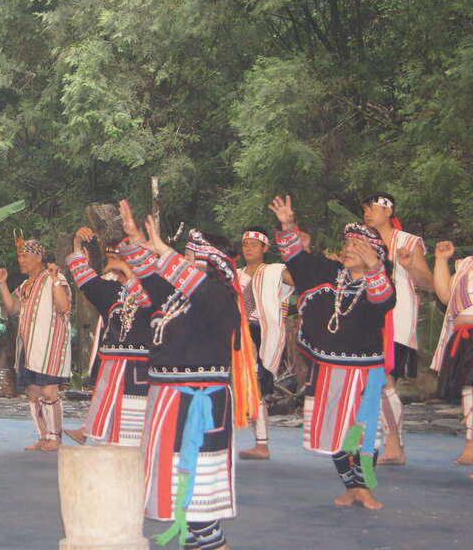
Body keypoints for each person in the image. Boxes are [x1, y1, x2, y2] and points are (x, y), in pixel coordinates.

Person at [119, 201, 251, 550]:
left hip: (197, 405)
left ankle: (214, 545)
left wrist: (164, 251)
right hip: (169, 401)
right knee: (179, 488)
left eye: (191, 257)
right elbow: (148, 273)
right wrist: (134, 240)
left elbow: (193, 282)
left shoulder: (220, 298)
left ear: (210, 263)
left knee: (196, 493)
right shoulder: (175, 297)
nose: (183, 263)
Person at [270, 195, 395, 510]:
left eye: (357, 246)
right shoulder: (327, 272)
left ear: (374, 253)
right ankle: (350, 486)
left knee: (364, 432)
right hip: (328, 368)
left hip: (366, 370)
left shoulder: (378, 280)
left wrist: (374, 266)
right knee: (334, 430)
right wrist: (288, 225)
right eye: (347, 244)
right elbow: (295, 257)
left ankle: (364, 487)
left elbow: (384, 301)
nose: (349, 249)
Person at [63, 226, 155, 448]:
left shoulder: (156, 288)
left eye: (117, 259)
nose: (112, 263)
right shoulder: (111, 290)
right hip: (112, 364)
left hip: (142, 366)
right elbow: (84, 278)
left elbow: (151, 304)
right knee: (107, 417)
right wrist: (77, 244)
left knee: (136, 426)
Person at [362, 192, 432, 465]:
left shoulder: (408, 241)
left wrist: (409, 265)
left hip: (397, 320)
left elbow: (428, 283)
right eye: (365, 209)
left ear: (389, 211)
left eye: (373, 208)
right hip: (368, 320)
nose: (367, 213)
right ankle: (391, 442)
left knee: (384, 381)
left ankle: (394, 443)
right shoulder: (363, 242)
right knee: (377, 383)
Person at [0, 237, 71, 452]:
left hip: (49, 345)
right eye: (19, 256)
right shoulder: (25, 285)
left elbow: (63, 306)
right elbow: (12, 308)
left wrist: (55, 280)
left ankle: (55, 437)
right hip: (28, 346)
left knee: (48, 390)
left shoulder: (54, 277)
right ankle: (43, 436)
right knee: (33, 391)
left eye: (24, 256)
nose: (20, 260)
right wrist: (2, 283)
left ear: (38, 257)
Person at [237, 227, 294, 460]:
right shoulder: (235, 275)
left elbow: (300, 280)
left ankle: (262, 445)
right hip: (238, 334)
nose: (248, 248)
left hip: (262, 332)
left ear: (265, 248)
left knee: (257, 387)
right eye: (245, 244)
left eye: (254, 244)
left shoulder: (275, 271)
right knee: (239, 387)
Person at [430, 240, 473, 473]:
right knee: (469, 389)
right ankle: (471, 443)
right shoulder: (466, 265)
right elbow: (446, 296)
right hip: (464, 338)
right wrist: (441, 260)